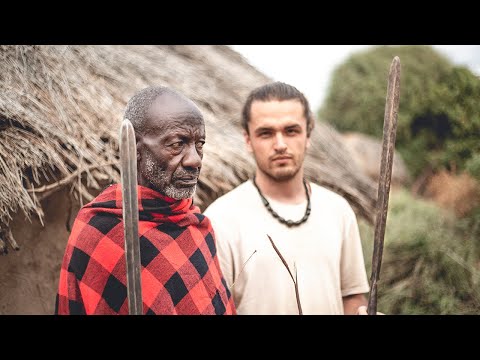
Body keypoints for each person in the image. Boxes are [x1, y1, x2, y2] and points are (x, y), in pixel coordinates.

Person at [55, 86, 236, 315]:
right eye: (177, 144)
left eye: (199, 145)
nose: (195, 160)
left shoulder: (197, 227)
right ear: (136, 149)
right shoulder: (99, 231)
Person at [204, 82, 371, 315]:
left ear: (308, 135)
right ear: (248, 140)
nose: (280, 145)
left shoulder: (338, 211)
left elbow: (352, 298)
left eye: (291, 131)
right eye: (266, 133)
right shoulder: (220, 219)